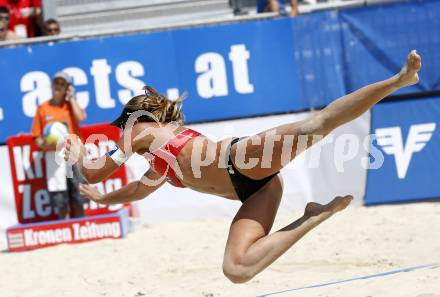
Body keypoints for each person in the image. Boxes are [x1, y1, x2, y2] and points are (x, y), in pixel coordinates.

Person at [65, 51, 421, 283]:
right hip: (257, 189)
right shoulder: (161, 161)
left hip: (242, 160)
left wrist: (79, 154)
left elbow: (96, 168)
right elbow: (138, 189)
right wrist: (102, 198)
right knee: (237, 269)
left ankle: (397, 80)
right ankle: (313, 216)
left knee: (318, 125)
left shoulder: (140, 128)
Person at [32, 72, 87, 219]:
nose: (58, 86)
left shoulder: (70, 106)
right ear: (51, 85)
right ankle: (64, 228)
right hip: (54, 155)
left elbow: (81, 118)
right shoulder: (42, 108)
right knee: (59, 198)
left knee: (79, 194)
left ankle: (81, 227)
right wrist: (44, 144)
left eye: (62, 84)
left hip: (74, 152)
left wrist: (72, 97)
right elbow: (37, 137)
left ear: (67, 88)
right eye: (56, 82)